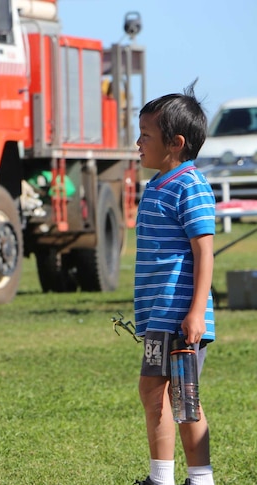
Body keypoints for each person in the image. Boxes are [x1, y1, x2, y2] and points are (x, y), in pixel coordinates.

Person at [133, 81, 216, 485]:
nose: (137, 143)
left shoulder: (190, 185)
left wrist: (196, 312)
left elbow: (204, 250)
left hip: (180, 318)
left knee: (184, 400)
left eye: (145, 136)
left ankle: (200, 479)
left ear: (175, 143)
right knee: (153, 391)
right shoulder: (155, 187)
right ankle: (161, 478)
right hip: (157, 319)